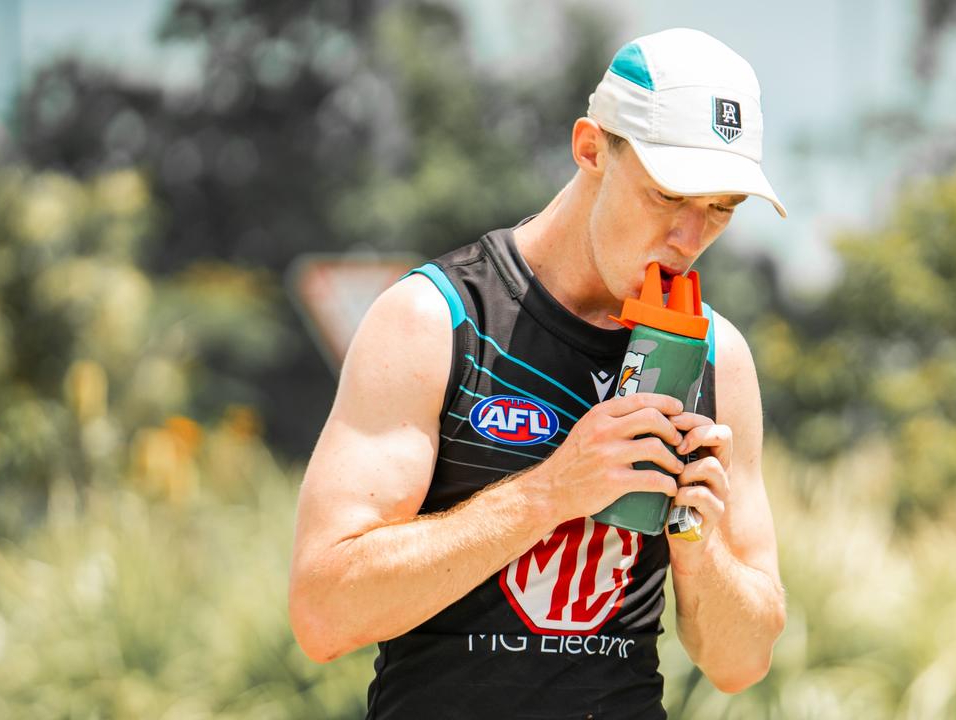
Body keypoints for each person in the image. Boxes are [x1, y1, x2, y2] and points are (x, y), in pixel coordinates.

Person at [288, 27, 786, 719]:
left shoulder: (716, 358)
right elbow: (323, 614)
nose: (688, 240)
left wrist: (697, 541)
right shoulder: (435, 320)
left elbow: (742, 663)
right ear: (590, 148)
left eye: (720, 210)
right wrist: (552, 492)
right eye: (670, 197)